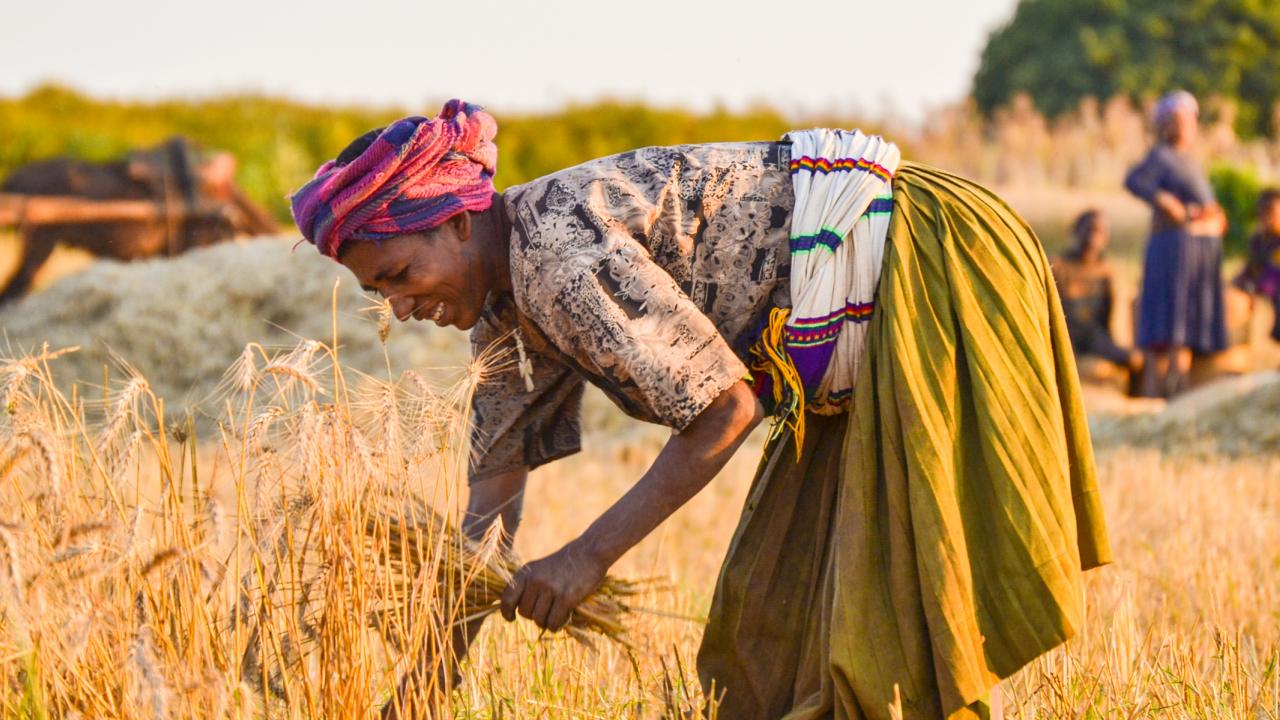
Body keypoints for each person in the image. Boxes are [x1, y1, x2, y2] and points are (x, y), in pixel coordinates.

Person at [290, 100, 1111, 720]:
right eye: (377, 291)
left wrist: (585, 556)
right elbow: (492, 499)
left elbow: (724, 410)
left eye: (398, 274)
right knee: (773, 633)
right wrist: (433, 676)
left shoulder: (557, 257)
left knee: (892, 622)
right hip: (842, 342)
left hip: (932, 265)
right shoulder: (504, 304)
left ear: (459, 222)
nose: (397, 307)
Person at [1124, 91, 1228, 397]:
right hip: (1173, 249)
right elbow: (1134, 181)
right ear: (1165, 125)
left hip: (1197, 250)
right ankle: (1161, 389)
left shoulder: (1189, 161)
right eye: (1178, 120)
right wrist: (1164, 201)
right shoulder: (1161, 157)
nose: (1185, 126)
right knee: (1172, 314)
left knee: (1187, 318)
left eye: (1189, 120)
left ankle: (1181, 386)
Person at [1052, 209, 1141, 373]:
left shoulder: (1107, 272)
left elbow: (1111, 312)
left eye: (1099, 231)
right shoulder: (1057, 266)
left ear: (1106, 238)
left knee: (1134, 360)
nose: (1093, 236)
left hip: (1093, 335)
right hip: (1065, 334)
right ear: (1076, 231)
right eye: (1088, 229)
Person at [1233, 188, 1280, 349]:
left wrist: (1256, 289)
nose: (1266, 218)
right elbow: (1249, 269)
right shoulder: (1258, 241)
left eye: (1271, 211)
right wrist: (1239, 283)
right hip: (1260, 296)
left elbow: (1273, 276)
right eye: (1262, 212)